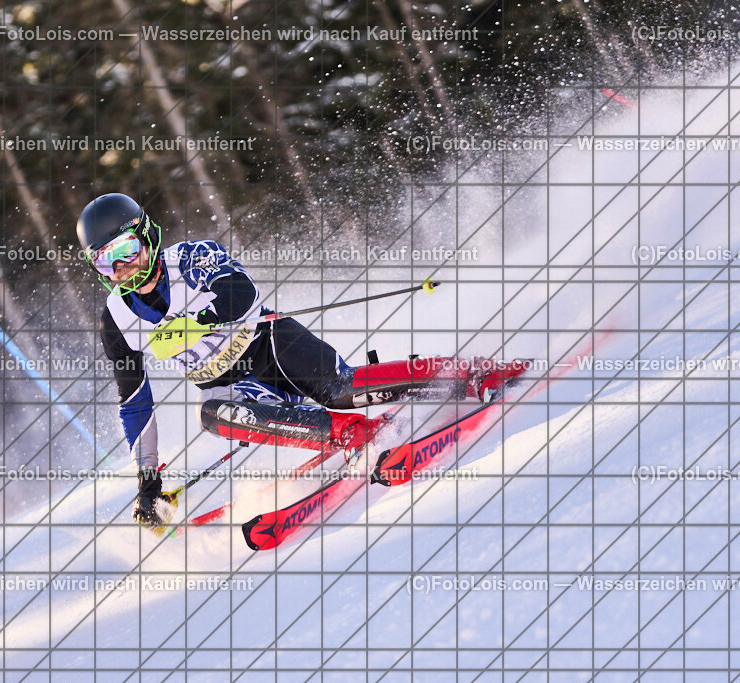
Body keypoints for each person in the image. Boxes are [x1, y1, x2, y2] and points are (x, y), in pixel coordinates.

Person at [77, 193, 523, 526]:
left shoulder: (191, 257)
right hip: (230, 384)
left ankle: (464, 373)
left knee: (343, 390)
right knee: (214, 414)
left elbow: (242, 291)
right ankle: (351, 436)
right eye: (105, 263)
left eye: (126, 251)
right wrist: (147, 479)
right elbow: (134, 400)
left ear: (147, 235)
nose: (122, 270)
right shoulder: (117, 319)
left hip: (269, 343)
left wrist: (199, 321)